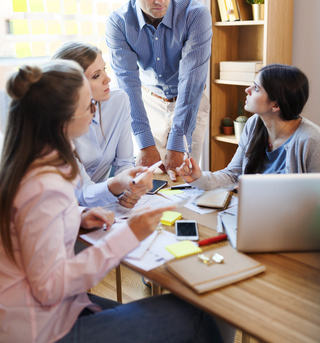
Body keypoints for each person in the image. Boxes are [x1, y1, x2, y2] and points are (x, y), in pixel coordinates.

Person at [0, 60, 224, 343]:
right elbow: (50, 287)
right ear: (62, 122)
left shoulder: (31, 161)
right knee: (197, 315)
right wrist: (129, 236)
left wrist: (78, 215)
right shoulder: (44, 185)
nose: (95, 112)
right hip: (41, 328)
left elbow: (32, 227)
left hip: (53, 309)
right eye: (89, 107)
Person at [105, 0, 212, 181]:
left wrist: (177, 140)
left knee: (182, 179)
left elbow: (191, 82)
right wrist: (144, 142)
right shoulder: (118, 23)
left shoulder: (196, 15)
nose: (160, 0)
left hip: (189, 100)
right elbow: (127, 84)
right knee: (149, 180)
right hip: (147, 102)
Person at [177, 64, 320, 187]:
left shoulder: (311, 141)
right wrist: (199, 178)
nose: (248, 90)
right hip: (254, 211)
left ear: (275, 105)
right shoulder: (253, 124)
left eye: (256, 88)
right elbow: (233, 175)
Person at [53, 41, 140, 209]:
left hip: (101, 207)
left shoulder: (118, 101)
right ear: (71, 88)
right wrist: (116, 186)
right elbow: (81, 193)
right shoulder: (59, 127)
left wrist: (127, 189)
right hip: (65, 210)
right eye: (96, 76)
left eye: (104, 70)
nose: (108, 79)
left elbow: (125, 163)